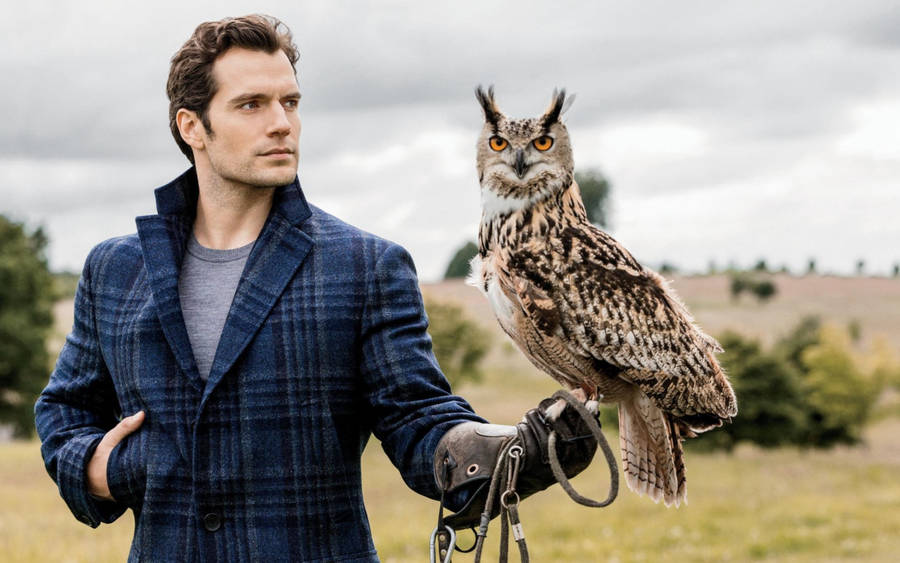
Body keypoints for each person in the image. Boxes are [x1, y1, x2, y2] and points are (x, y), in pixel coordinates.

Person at [34, 15, 596, 562]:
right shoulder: (115, 269)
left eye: (291, 102)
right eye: (251, 105)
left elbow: (416, 419)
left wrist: (495, 455)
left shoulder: (365, 265)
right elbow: (65, 410)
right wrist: (98, 470)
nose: (281, 122)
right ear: (191, 127)